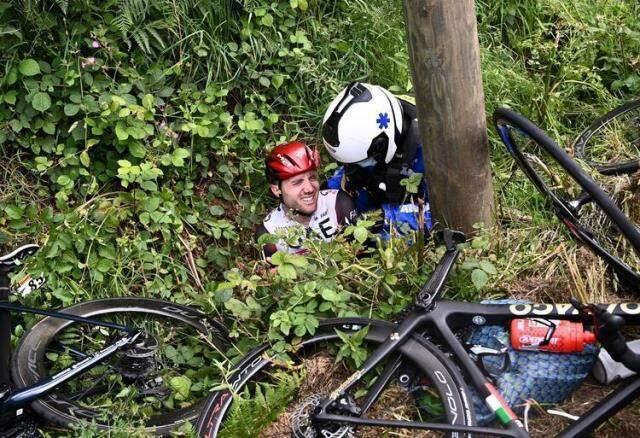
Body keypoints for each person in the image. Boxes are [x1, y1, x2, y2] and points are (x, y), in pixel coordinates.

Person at [322, 82, 432, 237]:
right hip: (387, 181)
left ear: (381, 145)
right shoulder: (370, 133)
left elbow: (443, 212)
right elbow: (353, 170)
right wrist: (328, 190)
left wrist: (385, 218)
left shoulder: (432, 149)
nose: (359, 165)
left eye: (361, 161)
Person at [256, 141, 357, 258]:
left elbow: (357, 256)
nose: (309, 188)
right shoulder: (268, 232)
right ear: (276, 190)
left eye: (312, 178)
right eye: (297, 182)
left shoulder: (338, 203)